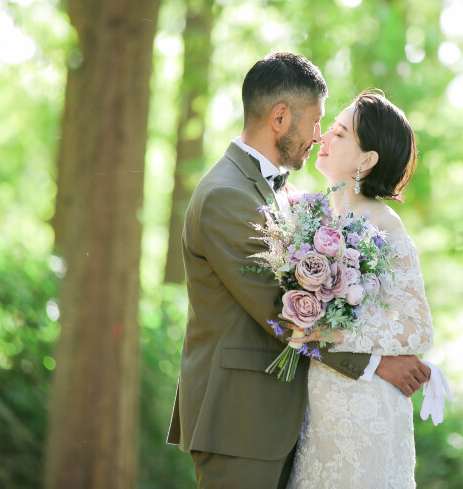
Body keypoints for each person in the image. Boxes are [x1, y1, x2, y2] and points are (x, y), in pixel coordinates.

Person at [166, 53, 431, 489]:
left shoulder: (282, 193)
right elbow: (284, 308)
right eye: (315, 122)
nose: (318, 135)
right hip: (241, 422)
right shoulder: (227, 196)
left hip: (285, 420)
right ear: (280, 117)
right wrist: (374, 365)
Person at [286, 90, 435, 488]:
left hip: (367, 407)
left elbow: (419, 328)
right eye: (329, 129)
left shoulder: (384, 225)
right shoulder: (310, 215)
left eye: (339, 133)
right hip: (318, 406)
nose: (323, 138)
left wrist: (331, 330)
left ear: (367, 160)